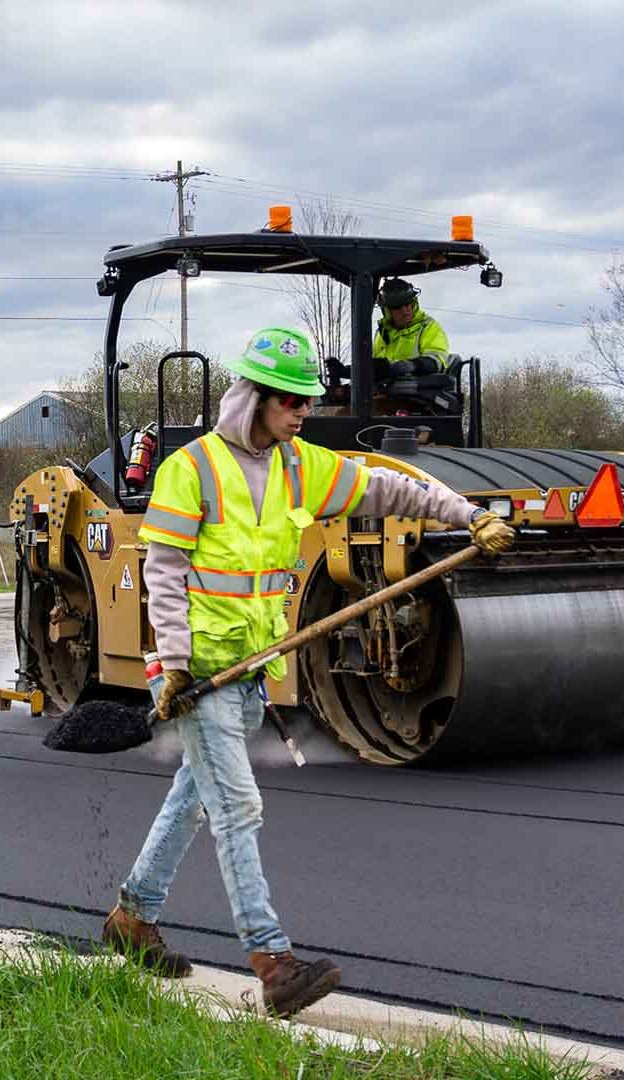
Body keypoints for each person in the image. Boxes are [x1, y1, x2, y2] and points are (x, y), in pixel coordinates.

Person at [103, 328, 514, 1017]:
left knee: (195, 796)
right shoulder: (194, 468)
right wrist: (171, 665)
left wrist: (468, 514)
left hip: (251, 664)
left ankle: (130, 919)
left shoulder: (299, 466)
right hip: (196, 668)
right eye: (292, 403)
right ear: (256, 398)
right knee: (238, 807)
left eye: (305, 404)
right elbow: (164, 572)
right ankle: (272, 961)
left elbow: (386, 488)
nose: (302, 415)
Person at [372, 277, 450, 381]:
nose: (405, 311)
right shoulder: (381, 334)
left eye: (407, 304)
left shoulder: (428, 327)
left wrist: (412, 366)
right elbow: (372, 367)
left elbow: (437, 360)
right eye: (398, 307)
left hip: (419, 391)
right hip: (386, 391)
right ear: (387, 311)